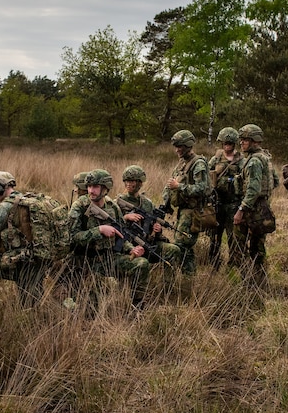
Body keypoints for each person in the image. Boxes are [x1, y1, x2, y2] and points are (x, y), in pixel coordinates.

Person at [70, 169, 150, 309]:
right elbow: (72, 237)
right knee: (90, 309)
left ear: (105, 188)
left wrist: (132, 249)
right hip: (86, 263)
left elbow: (122, 235)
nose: (91, 190)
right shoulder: (80, 206)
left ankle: (137, 306)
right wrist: (99, 230)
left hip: (110, 258)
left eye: (95, 186)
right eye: (89, 186)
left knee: (141, 263)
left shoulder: (112, 207)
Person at [0, 171, 50, 308]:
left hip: (19, 260)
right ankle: (37, 314)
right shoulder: (28, 200)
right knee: (32, 292)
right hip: (40, 257)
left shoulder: (5, 207)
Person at [118, 165, 183, 293]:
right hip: (127, 247)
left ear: (140, 183)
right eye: (127, 181)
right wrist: (125, 217)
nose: (129, 184)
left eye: (132, 181)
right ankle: (130, 292)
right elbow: (113, 226)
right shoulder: (117, 203)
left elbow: (153, 225)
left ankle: (168, 290)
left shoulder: (147, 203)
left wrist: (157, 230)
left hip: (148, 244)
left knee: (173, 250)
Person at [231, 124, 277, 287]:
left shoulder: (254, 161)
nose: (242, 143)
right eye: (241, 139)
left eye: (245, 140)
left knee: (238, 246)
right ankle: (261, 279)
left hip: (252, 209)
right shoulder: (265, 157)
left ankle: (247, 281)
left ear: (254, 141)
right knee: (258, 245)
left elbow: (253, 189)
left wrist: (241, 210)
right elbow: (275, 181)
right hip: (263, 208)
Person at [161, 130, 210, 277]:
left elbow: (202, 189)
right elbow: (171, 183)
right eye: (176, 147)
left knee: (182, 245)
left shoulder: (198, 164)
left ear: (188, 145)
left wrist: (179, 187)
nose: (177, 150)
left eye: (180, 146)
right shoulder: (182, 163)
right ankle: (187, 276)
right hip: (183, 211)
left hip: (192, 212)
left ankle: (188, 277)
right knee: (183, 246)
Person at [206, 127, 246, 269]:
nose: (227, 145)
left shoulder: (241, 161)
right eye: (224, 142)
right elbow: (207, 176)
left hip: (233, 204)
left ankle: (233, 266)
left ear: (234, 143)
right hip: (217, 204)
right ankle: (214, 264)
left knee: (233, 237)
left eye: (229, 142)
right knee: (214, 236)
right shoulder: (215, 159)